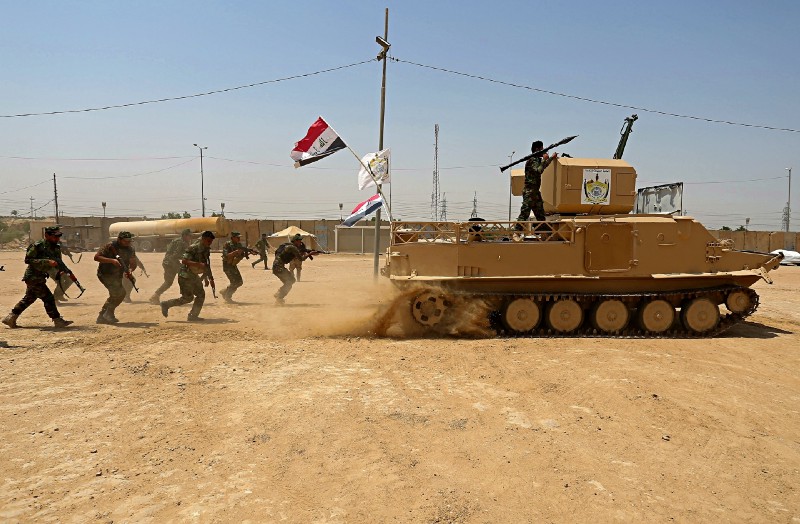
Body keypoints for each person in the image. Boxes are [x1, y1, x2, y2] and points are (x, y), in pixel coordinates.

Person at [2, 226, 73, 328]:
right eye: (54, 236)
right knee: (48, 298)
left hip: (41, 276)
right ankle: (58, 320)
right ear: (47, 235)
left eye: (58, 236)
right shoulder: (38, 246)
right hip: (33, 277)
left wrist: (62, 271)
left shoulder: (55, 247)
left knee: (28, 299)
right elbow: (28, 260)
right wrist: (46, 261)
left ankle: (11, 318)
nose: (57, 239)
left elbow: (58, 262)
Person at [161, 230, 215, 321]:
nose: (210, 243)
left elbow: (206, 264)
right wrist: (198, 265)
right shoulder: (193, 248)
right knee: (187, 298)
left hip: (193, 275)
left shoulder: (206, 249)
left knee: (201, 294)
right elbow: (184, 261)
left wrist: (209, 278)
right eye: (208, 241)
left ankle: (193, 315)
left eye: (211, 242)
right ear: (203, 239)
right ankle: (166, 304)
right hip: (185, 275)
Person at [94, 231, 138, 324]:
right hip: (105, 274)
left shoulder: (130, 249)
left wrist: (130, 270)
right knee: (119, 293)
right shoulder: (110, 246)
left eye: (129, 241)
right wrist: (112, 261)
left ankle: (103, 315)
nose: (128, 243)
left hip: (117, 275)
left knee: (116, 294)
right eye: (125, 241)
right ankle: (107, 314)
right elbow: (97, 257)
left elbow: (133, 262)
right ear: (119, 239)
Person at [517, 140, 557, 224]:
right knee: (525, 214)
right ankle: (516, 233)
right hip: (529, 191)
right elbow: (538, 171)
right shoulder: (532, 160)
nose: (543, 151)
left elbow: (543, 166)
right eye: (542, 149)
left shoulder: (537, 160)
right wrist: (544, 159)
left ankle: (544, 233)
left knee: (540, 215)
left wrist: (551, 158)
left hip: (535, 192)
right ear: (537, 149)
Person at [149, 228, 193, 304]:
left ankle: (155, 296)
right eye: (189, 236)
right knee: (184, 277)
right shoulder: (180, 242)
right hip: (171, 263)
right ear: (185, 236)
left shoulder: (180, 241)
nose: (190, 237)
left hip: (170, 262)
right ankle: (185, 296)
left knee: (169, 282)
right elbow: (176, 255)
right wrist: (186, 257)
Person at [272, 233, 312, 305]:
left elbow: (277, 253)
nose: (301, 242)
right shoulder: (293, 248)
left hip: (276, 267)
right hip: (279, 267)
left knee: (291, 280)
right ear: (295, 241)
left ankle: (279, 294)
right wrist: (310, 254)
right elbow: (301, 259)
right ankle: (279, 297)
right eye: (299, 240)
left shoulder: (285, 245)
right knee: (289, 282)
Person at [220, 231, 256, 303]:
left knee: (239, 282)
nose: (239, 239)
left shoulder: (238, 244)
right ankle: (228, 297)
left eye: (239, 237)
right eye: (237, 237)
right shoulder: (227, 244)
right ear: (232, 238)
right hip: (227, 265)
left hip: (233, 265)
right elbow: (226, 255)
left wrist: (250, 251)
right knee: (234, 282)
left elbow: (243, 249)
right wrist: (236, 252)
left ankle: (225, 292)